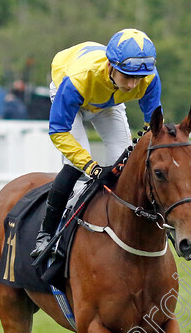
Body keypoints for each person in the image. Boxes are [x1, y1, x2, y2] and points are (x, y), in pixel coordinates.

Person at [30, 28, 162, 258]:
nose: (132, 85)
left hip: (107, 103)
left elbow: (155, 127)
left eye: (138, 78)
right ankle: (46, 234)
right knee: (75, 165)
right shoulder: (79, 79)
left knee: (125, 163)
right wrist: (91, 167)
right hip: (73, 94)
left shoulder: (149, 77)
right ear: (111, 65)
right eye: (127, 76)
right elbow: (58, 131)